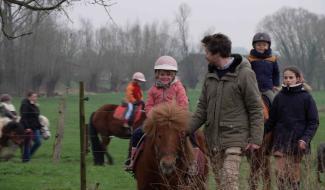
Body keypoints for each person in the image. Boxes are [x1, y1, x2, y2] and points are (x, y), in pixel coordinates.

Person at [188, 33, 264, 190]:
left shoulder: (244, 74)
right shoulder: (210, 76)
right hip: (213, 140)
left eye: (207, 52)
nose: (205, 56)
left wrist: (256, 139)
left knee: (229, 182)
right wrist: (185, 130)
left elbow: (256, 107)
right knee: (221, 184)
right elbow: (202, 108)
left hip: (235, 138)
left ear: (216, 53)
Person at [124, 55, 189, 171]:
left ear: (173, 75)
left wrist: (177, 117)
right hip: (156, 122)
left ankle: (192, 162)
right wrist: (153, 117)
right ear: (157, 74)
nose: (165, 77)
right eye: (162, 74)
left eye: (168, 74)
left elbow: (183, 104)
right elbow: (148, 106)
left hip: (174, 122)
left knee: (191, 134)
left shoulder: (178, 87)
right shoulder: (153, 89)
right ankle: (132, 160)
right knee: (137, 134)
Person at [266, 66, 319, 190]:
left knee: (293, 174)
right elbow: (271, 121)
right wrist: (257, 136)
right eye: (285, 78)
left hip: (298, 141)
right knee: (280, 173)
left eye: (291, 77)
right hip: (280, 141)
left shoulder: (306, 97)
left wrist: (305, 139)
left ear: (298, 79)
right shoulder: (279, 97)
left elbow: (313, 122)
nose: (288, 80)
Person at [248, 32, 280, 103]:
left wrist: (276, 85)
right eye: (258, 45)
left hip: (268, 88)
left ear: (268, 46)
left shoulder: (272, 59)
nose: (261, 47)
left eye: (264, 45)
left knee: (274, 102)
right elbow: (247, 74)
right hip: (254, 88)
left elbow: (276, 73)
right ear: (254, 46)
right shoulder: (250, 59)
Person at [20, 91, 43, 162]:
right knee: (28, 143)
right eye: (34, 96)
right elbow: (24, 117)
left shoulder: (34, 104)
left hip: (35, 127)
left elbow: (36, 116)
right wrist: (27, 127)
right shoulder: (25, 105)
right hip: (28, 127)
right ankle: (26, 159)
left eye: (36, 96)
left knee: (38, 142)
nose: (35, 98)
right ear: (29, 97)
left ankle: (27, 157)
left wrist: (40, 126)